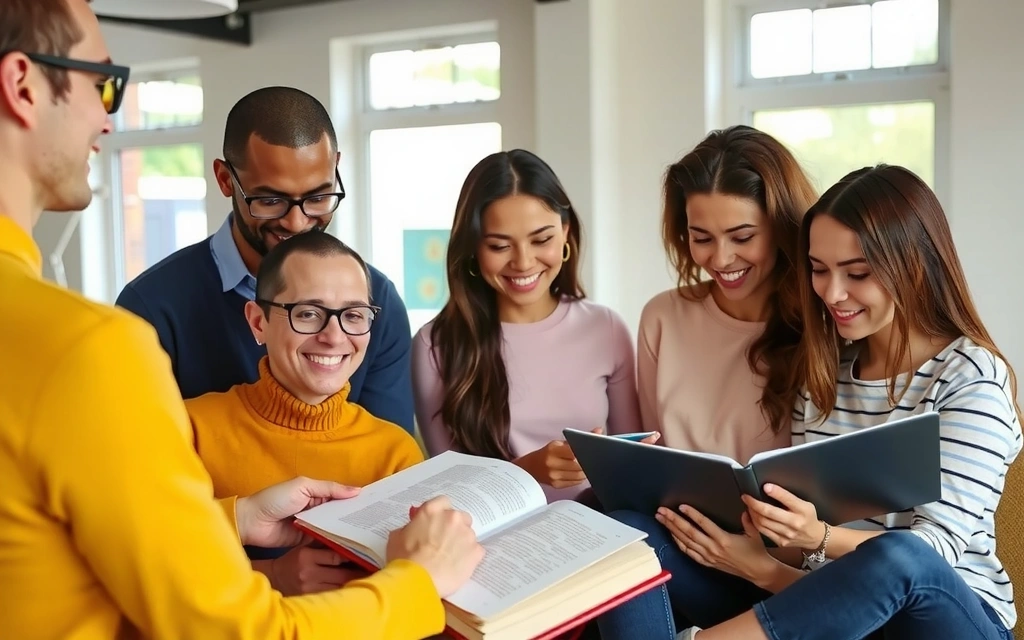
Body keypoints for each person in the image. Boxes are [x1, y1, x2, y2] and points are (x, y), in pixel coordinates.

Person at [0, 1, 483, 638]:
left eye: (318, 197)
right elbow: (225, 625)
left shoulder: (382, 322)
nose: (107, 116)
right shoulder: (103, 343)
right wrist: (415, 584)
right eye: (103, 82)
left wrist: (237, 518)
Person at [653, 165, 1021, 639]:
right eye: (819, 269)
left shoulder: (970, 377)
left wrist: (814, 538)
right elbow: (815, 551)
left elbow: (934, 551)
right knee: (645, 532)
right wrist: (761, 559)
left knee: (902, 554)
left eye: (857, 273)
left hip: (947, 620)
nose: (832, 292)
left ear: (913, 265)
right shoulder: (825, 371)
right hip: (838, 611)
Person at [597, 125, 817, 638]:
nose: (721, 259)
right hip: (697, 559)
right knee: (622, 536)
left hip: (794, 576)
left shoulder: (823, 322)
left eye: (742, 237)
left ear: (783, 227)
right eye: (702, 238)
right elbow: (657, 465)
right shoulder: (663, 318)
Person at [115, 85, 414, 433]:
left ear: (336, 169)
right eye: (271, 201)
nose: (297, 222)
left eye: (318, 197)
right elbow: (137, 464)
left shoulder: (377, 301)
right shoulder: (151, 307)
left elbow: (390, 466)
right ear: (226, 180)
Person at [187, 231, 425, 592]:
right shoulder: (188, 429)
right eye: (309, 313)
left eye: (354, 315)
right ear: (257, 322)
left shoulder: (395, 453)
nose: (334, 336)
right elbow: (134, 558)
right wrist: (271, 576)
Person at [411, 149, 646, 503]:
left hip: (601, 531)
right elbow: (448, 490)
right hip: (492, 542)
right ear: (474, 247)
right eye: (500, 245)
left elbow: (636, 463)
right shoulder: (435, 345)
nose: (523, 262)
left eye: (541, 240)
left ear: (566, 233)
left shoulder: (606, 328)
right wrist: (526, 470)